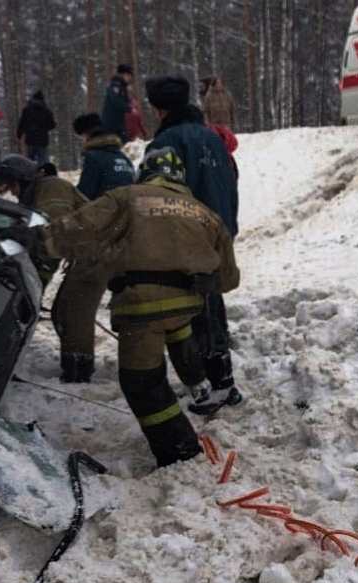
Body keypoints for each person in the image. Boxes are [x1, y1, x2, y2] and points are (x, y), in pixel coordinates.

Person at [29, 147, 240, 467]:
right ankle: (199, 387)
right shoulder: (204, 212)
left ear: (146, 172)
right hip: (185, 307)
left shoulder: (126, 197)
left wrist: (37, 239)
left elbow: (80, 227)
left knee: (142, 383)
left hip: (141, 308)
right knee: (176, 328)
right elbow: (228, 279)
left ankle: (180, 451)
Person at [145, 74, 241, 415]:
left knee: (196, 310)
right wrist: (227, 225)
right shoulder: (213, 138)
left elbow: (153, 196)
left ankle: (216, 385)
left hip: (187, 237)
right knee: (212, 303)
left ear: (157, 108)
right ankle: (223, 380)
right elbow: (231, 181)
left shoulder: (166, 143)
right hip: (219, 232)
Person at [0, 155, 95, 382]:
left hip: (98, 253)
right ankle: (77, 366)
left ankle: (78, 372)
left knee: (72, 312)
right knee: (65, 312)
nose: (15, 195)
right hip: (87, 252)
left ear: (22, 178)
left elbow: (56, 234)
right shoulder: (40, 192)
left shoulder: (51, 189)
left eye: (13, 188)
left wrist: (34, 282)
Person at [72, 112, 135, 200]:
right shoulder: (124, 158)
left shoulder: (93, 158)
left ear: (86, 135)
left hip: (106, 207)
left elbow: (84, 192)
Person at [16, 90, 57, 165]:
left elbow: (22, 123)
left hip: (30, 139)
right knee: (43, 162)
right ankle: (44, 175)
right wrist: (44, 127)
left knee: (29, 162)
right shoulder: (46, 111)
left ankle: (29, 174)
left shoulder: (27, 110)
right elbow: (52, 125)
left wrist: (19, 134)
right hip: (42, 140)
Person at [100, 63, 134, 140]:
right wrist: (129, 108)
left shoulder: (122, 86)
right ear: (123, 74)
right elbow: (116, 100)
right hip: (111, 123)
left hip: (119, 123)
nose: (130, 78)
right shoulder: (115, 85)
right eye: (128, 75)